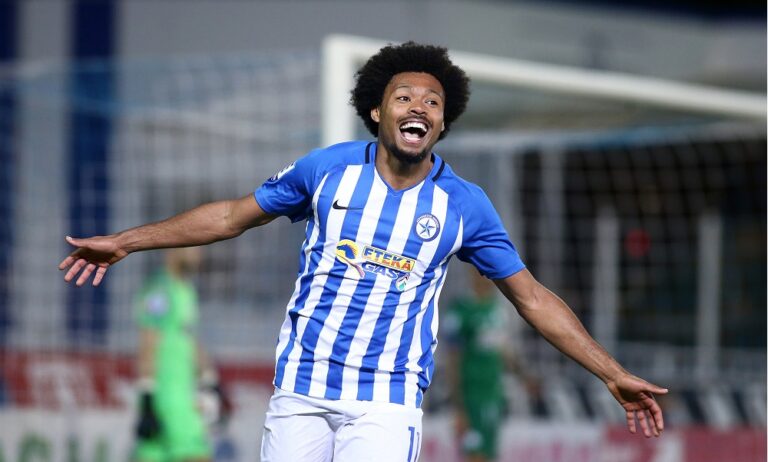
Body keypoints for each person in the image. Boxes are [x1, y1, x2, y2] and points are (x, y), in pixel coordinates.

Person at [59, 42, 667, 462]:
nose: (419, 107)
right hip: (301, 387)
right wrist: (126, 241)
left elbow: (531, 299)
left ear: (442, 124)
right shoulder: (326, 170)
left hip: (386, 400)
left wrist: (611, 373)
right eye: (405, 97)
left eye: (433, 102)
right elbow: (229, 217)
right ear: (377, 111)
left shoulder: (465, 205)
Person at [444, 266, 536, 462]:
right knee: (474, 455)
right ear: (473, 275)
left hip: (493, 394)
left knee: (488, 454)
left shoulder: (497, 310)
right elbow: (453, 360)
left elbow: (503, 351)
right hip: (471, 396)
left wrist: (524, 376)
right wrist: (458, 407)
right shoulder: (461, 310)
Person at [133, 247, 217, 462]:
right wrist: (148, 397)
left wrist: (209, 380)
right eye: (193, 247)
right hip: (168, 398)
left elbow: (189, 337)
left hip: (183, 392)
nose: (199, 254)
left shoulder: (186, 289)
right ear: (174, 249)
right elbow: (147, 342)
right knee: (197, 455)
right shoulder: (160, 290)